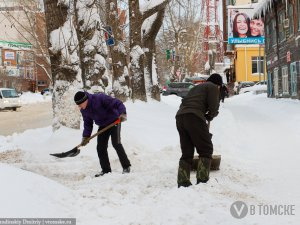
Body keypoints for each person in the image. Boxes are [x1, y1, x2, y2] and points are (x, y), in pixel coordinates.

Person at [175, 73, 222, 188]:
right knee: (206, 149)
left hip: (180, 117)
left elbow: (186, 102)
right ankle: (202, 182)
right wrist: (211, 115)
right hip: (194, 117)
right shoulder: (212, 87)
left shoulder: (196, 87)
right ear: (218, 84)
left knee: (187, 152)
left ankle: (183, 181)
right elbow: (214, 106)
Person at [74, 91, 131, 177]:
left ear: (85, 100)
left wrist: (122, 113)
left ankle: (126, 166)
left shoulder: (100, 98)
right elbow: (88, 123)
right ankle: (106, 170)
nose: (79, 107)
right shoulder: (84, 110)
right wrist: (86, 136)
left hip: (114, 120)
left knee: (116, 143)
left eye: (80, 104)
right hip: (103, 125)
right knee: (100, 147)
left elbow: (117, 103)